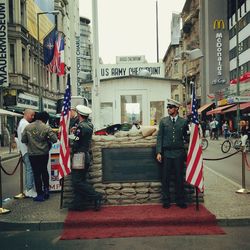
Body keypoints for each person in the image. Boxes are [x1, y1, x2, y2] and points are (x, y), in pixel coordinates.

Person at [156, 99, 189, 209]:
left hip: (179, 153)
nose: (168, 109)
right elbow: (159, 137)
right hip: (167, 153)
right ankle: (166, 200)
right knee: (165, 178)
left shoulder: (183, 122)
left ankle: (180, 200)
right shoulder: (163, 121)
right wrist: (159, 152)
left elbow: (186, 137)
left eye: (170, 107)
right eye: (168, 108)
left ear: (176, 109)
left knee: (179, 178)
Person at [70, 104, 103, 211]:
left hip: (79, 156)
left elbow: (75, 143)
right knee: (81, 180)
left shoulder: (80, 127)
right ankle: (78, 204)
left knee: (76, 181)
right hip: (86, 155)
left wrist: (71, 135)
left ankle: (96, 195)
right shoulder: (89, 124)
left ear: (79, 114)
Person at [21, 111, 58, 202]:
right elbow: (55, 139)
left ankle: (39, 194)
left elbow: (23, 140)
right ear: (45, 119)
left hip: (32, 154)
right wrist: (47, 141)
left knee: (36, 174)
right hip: (43, 153)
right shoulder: (46, 127)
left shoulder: (28, 127)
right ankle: (46, 190)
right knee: (44, 171)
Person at [17, 109, 36, 198]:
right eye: (31, 115)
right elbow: (26, 138)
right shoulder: (25, 124)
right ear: (26, 114)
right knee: (30, 170)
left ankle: (28, 189)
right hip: (27, 150)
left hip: (24, 150)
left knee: (29, 169)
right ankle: (29, 190)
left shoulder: (22, 122)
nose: (33, 117)